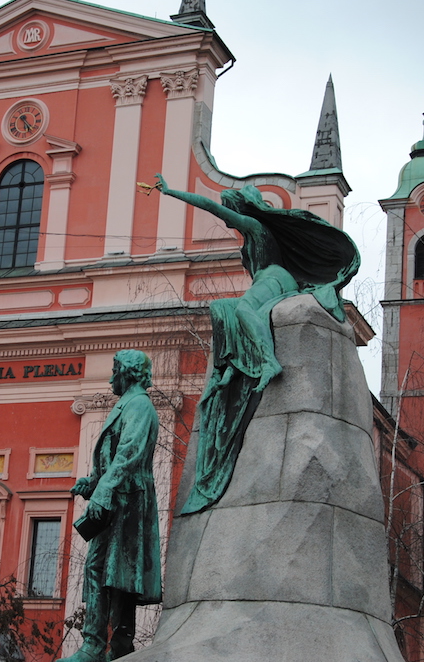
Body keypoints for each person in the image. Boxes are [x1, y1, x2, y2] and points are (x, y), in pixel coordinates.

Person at [153, 175, 359, 514]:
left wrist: (171, 190)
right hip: (276, 279)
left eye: (230, 206)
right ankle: (237, 363)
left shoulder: (253, 226)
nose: (227, 213)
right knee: (225, 310)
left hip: (276, 279)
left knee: (245, 310)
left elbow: (208, 205)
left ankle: (267, 362)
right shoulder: (253, 232)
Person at [60, 350, 162, 662]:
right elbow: (114, 459)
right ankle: (114, 646)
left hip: (128, 499)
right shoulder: (126, 405)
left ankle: (97, 646)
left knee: (111, 572)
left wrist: (103, 490)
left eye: (114, 371)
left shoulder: (140, 405)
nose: (110, 378)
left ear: (128, 373)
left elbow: (129, 454)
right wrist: (93, 483)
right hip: (118, 496)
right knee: (112, 572)